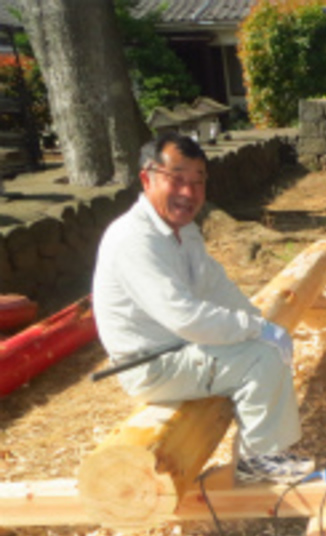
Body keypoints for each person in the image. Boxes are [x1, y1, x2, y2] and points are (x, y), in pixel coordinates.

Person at [92, 132, 314, 484]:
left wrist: (260, 321)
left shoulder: (183, 229)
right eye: (176, 179)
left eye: (198, 181)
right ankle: (259, 459)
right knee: (261, 357)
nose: (189, 193)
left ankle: (263, 450)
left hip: (178, 349)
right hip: (152, 365)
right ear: (147, 178)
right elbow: (184, 317)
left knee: (261, 345)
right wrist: (257, 332)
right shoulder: (135, 240)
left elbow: (216, 285)